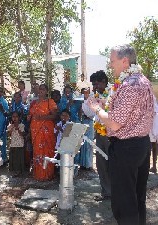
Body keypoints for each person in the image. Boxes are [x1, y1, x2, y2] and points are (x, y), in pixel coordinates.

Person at [87, 45, 154, 225]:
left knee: (124, 203)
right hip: (141, 146)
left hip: (126, 149)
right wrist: (106, 104)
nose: (110, 65)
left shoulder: (130, 85)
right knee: (137, 198)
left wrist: (97, 108)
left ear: (125, 61)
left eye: (112, 61)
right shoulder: (143, 81)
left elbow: (115, 123)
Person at [83, 70, 111, 201]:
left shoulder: (114, 92)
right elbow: (87, 112)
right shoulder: (95, 95)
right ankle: (106, 193)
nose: (94, 87)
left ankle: (118, 193)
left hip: (114, 135)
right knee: (101, 164)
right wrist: (90, 99)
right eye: (93, 84)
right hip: (100, 134)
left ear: (104, 82)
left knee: (115, 164)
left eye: (96, 84)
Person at [29, 84, 57, 181]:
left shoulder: (50, 102)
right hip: (35, 130)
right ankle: (38, 175)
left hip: (46, 131)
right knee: (37, 151)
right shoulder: (34, 102)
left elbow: (54, 116)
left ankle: (47, 174)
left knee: (47, 151)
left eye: (43, 89)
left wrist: (42, 118)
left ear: (47, 91)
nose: (41, 91)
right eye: (40, 89)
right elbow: (30, 115)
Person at [7, 112, 25, 177]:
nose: (15, 118)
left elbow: (22, 134)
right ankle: (15, 171)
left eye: (16, 116)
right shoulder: (9, 126)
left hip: (20, 144)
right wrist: (12, 128)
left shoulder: (21, 125)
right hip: (13, 145)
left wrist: (18, 129)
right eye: (13, 117)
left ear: (19, 118)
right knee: (14, 159)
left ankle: (20, 171)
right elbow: (8, 134)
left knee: (20, 158)